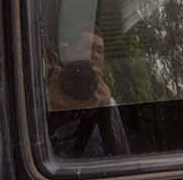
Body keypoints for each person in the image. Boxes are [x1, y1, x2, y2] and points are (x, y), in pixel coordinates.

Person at [46, 26, 131, 158]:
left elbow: (122, 159)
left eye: (100, 51)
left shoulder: (108, 102)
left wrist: (104, 118)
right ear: (69, 52)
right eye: (87, 47)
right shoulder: (49, 95)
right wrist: (53, 110)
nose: (95, 55)